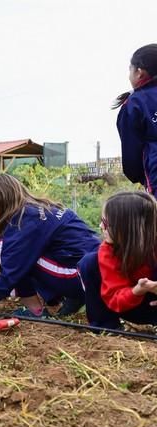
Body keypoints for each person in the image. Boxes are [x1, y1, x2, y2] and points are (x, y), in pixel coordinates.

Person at [0, 174, 100, 319]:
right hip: (94, 272)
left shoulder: (22, 222)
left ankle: (35, 310)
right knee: (29, 254)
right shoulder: (41, 208)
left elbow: (9, 276)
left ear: (1, 201)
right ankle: (76, 296)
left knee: (7, 249)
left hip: (80, 275)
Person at [78, 192, 157, 330]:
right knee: (89, 263)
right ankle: (106, 327)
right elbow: (114, 298)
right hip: (129, 304)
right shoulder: (108, 250)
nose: (101, 226)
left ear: (126, 228)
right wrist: (138, 290)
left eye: (106, 223)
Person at [115, 44, 157, 193]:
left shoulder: (135, 104)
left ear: (139, 72)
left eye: (130, 69)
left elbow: (132, 160)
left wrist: (142, 178)